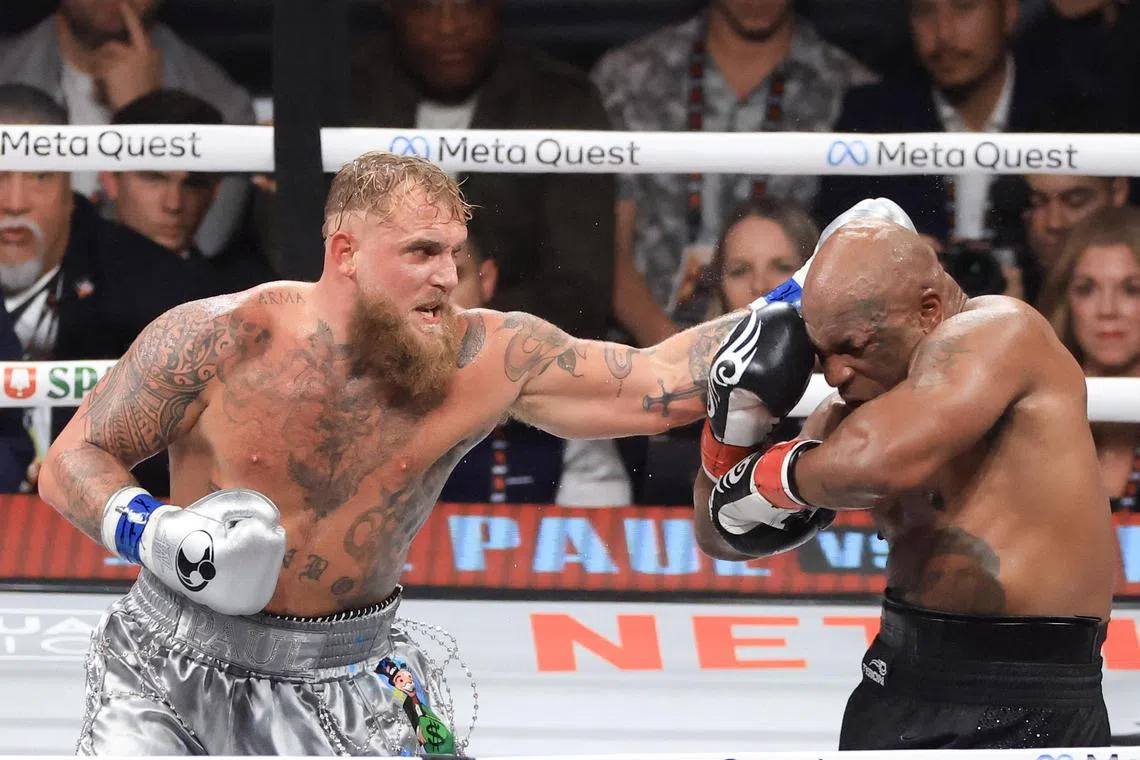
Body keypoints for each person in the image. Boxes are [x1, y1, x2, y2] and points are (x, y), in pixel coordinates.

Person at [37, 150, 822, 755]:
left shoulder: (487, 357)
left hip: (348, 671)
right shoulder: (221, 336)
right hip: (171, 665)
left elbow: (660, 383)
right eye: (420, 251)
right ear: (345, 251)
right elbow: (75, 457)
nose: (448, 276)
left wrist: (816, 288)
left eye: (453, 252)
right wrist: (162, 536)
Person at [695, 213, 1115, 748]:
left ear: (929, 310)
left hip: (1029, 691)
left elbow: (876, 462)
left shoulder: (1004, 331)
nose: (837, 375)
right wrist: (730, 435)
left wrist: (767, 477)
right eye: (824, 355)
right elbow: (721, 536)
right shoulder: (858, 410)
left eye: (854, 346)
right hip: (897, 678)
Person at [1038, 205, 1140, 512]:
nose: (1107, 310)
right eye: (1086, 289)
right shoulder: (1031, 427)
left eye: (1132, 290)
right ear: (1066, 302)